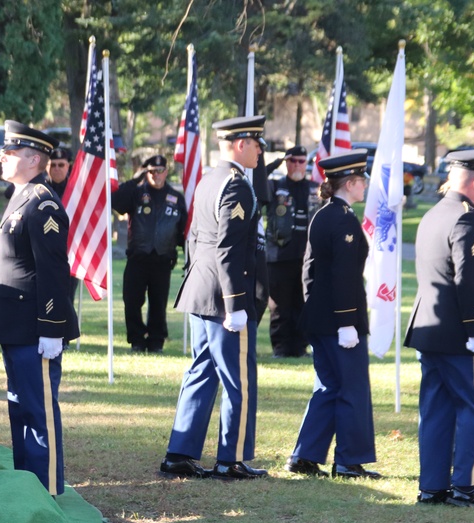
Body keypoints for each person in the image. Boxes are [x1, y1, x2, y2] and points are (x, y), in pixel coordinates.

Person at [159, 115, 269, 481]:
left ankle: (180, 452)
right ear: (240, 144)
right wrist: (237, 303)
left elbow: (195, 240)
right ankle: (231, 459)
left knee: (202, 371)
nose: (259, 151)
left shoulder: (209, 178)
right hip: (224, 297)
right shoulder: (236, 185)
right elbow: (229, 248)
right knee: (238, 378)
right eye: (256, 144)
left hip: (202, 290)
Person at [405, 147, 474, 507]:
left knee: (436, 408)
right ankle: (468, 483)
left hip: (430, 329)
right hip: (460, 334)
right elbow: (470, 281)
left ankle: (432, 485)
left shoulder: (435, 214)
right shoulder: (468, 219)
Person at [0, 120, 79, 496]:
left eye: (11, 153)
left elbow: (54, 271)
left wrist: (52, 327)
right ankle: (29, 487)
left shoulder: (43, 203)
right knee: (20, 409)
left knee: (38, 412)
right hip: (16, 326)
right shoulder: (23, 195)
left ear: (34, 158)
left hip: (35, 327)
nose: (3, 157)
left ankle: (48, 488)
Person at [284, 150, 382, 480]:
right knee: (351, 388)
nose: (365, 186)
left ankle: (306, 455)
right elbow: (343, 275)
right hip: (339, 321)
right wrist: (346, 323)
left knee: (328, 387)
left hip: (321, 319)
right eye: (361, 181)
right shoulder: (341, 219)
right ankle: (348, 460)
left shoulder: (326, 214)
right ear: (350, 183)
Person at [112, 155, 186, 353]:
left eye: (160, 170)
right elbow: (115, 200)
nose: (156, 175)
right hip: (138, 257)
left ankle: (156, 341)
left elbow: (183, 230)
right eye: (152, 171)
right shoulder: (136, 194)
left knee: (158, 303)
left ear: (166, 171)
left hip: (162, 258)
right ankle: (136, 339)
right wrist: (136, 179)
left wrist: (187, 253)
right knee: (132, 300)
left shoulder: (176, 198)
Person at [264, 145, 314, 358]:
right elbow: (256, 179)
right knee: (279, 306)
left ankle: (300, 347)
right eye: (292, 160)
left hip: (306, 258)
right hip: (279, 256)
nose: (296, 165)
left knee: (302, 304)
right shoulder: (274, 187)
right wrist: (275, 162)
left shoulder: (315, 188)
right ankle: (281, 348)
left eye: (301, 161)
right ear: (286, 162)